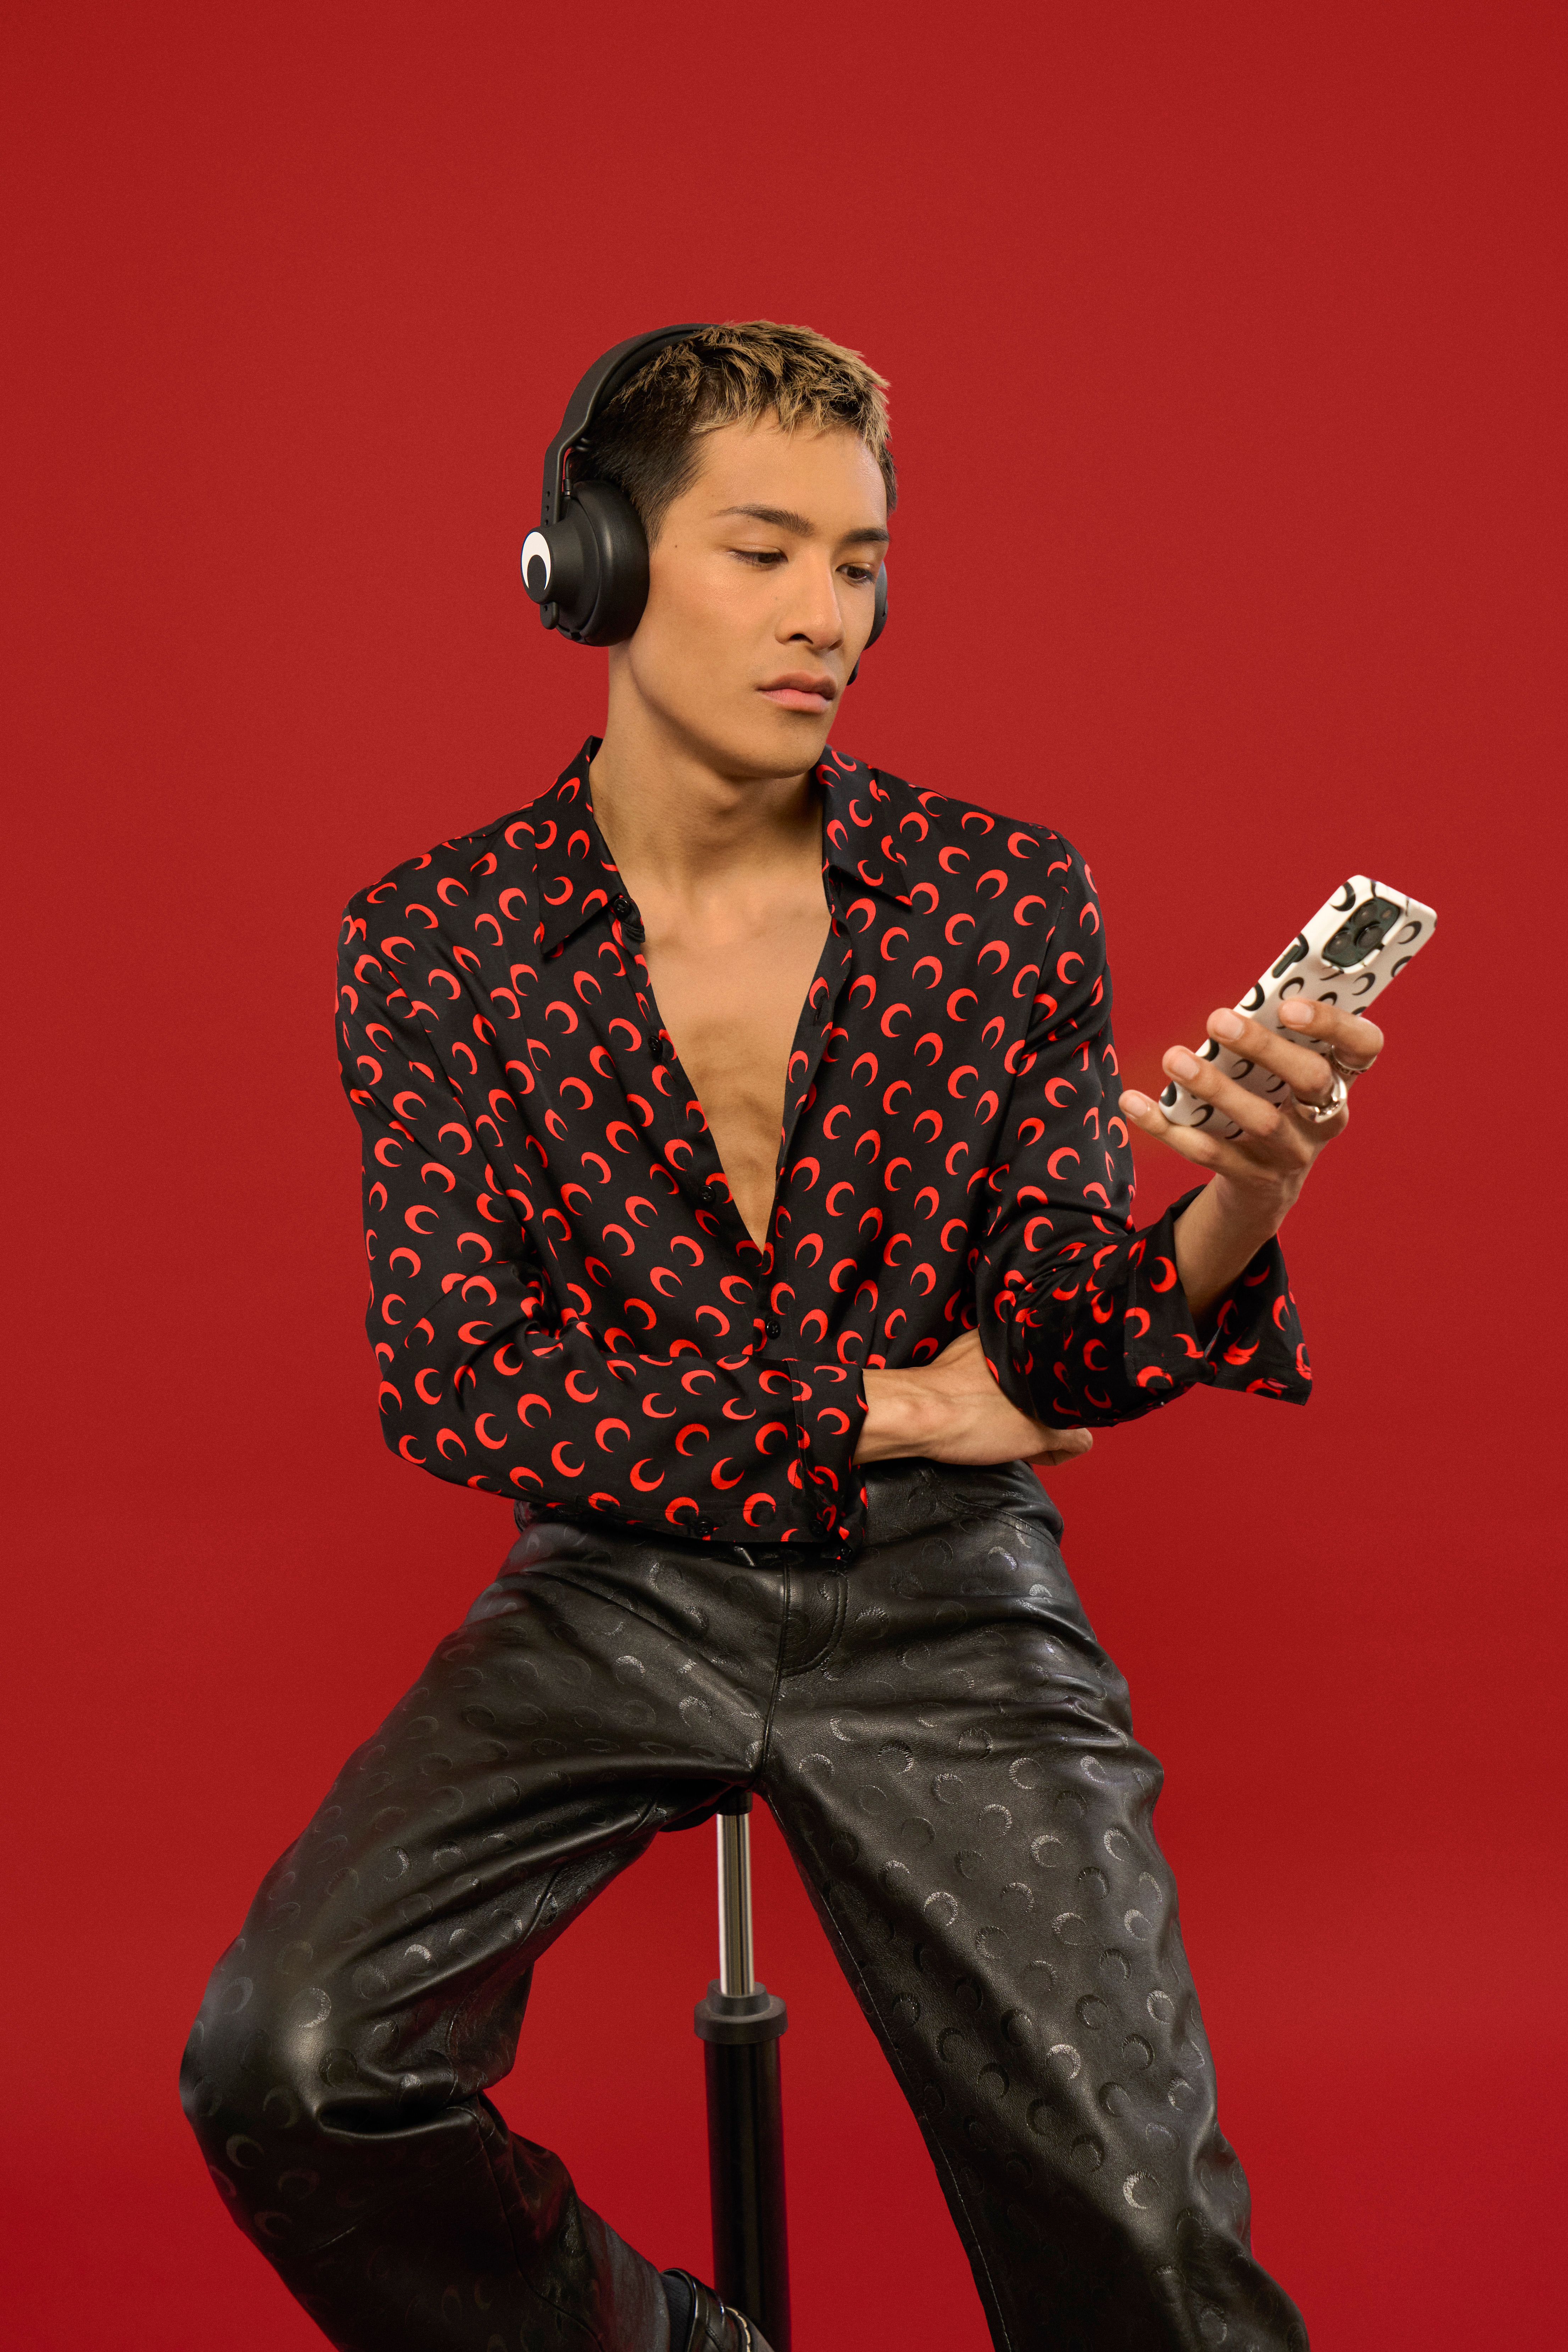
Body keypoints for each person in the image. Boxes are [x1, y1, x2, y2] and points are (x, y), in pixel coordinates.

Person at [181, 322, 1368, 2351]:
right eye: (764, 551)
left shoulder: (998, 898)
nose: (829, 614)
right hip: (619, 1583)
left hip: (944, 1596)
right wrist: (880, 1405)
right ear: (594, 562)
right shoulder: (438, 941)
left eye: (859, 562)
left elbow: (1058, 1348)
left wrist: (1243, 1193)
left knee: (1149, 2244)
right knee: (292, 2064)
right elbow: (462, 1378)